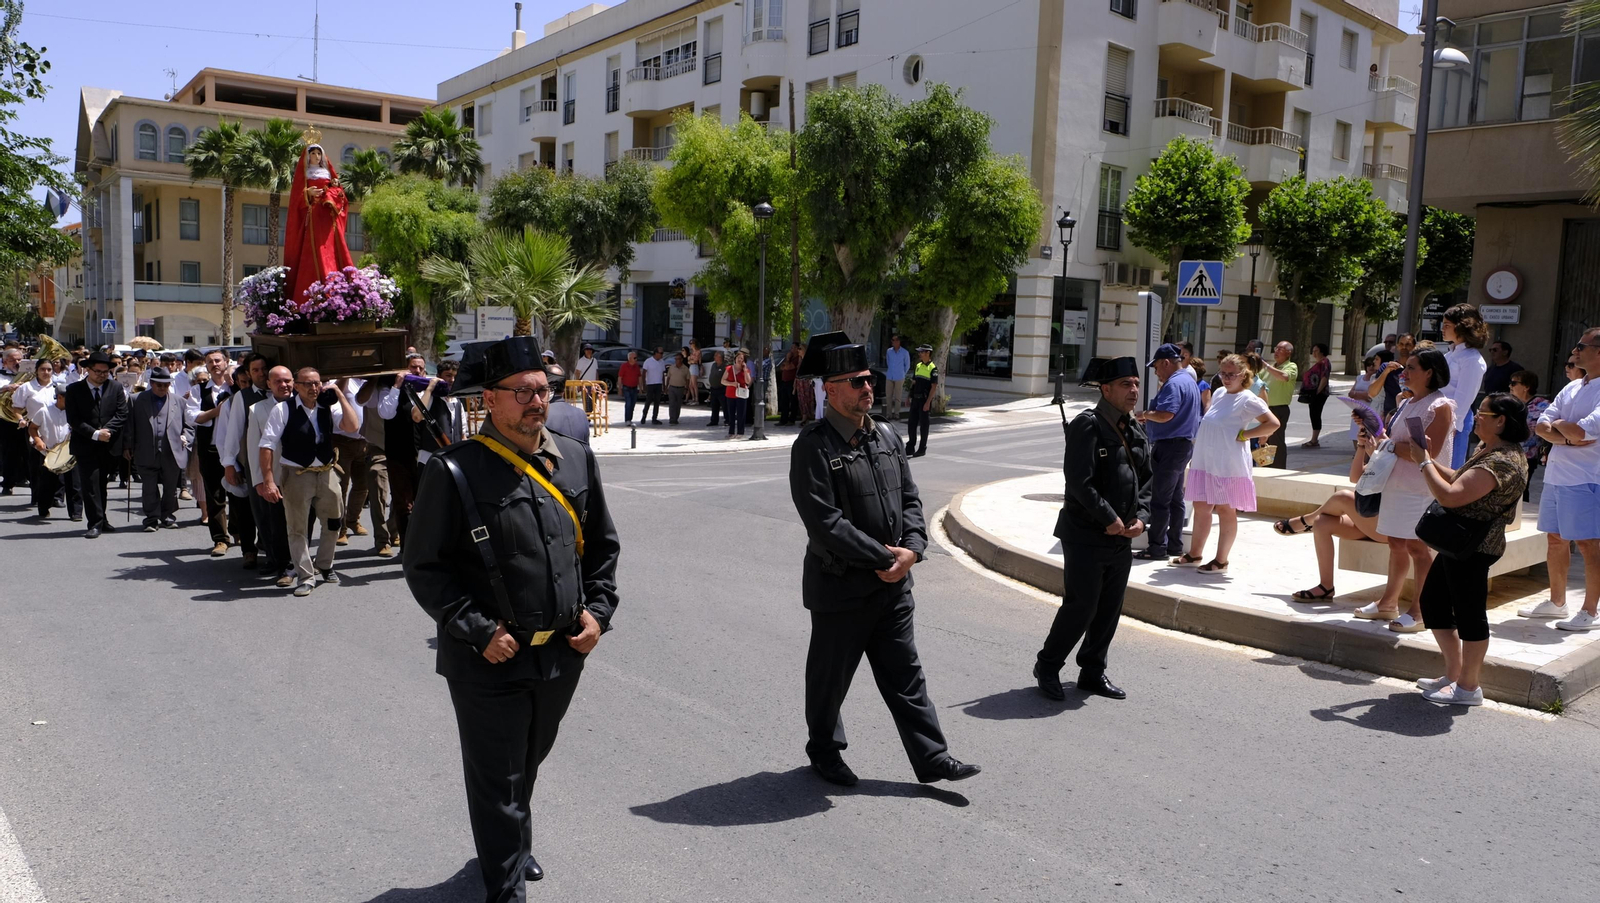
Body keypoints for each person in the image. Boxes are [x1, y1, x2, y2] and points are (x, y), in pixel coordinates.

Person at [403, 335, 619, 901]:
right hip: (489, 658)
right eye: (521, 392)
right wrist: (478, 630)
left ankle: (513, 846)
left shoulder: (576, 457)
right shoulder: (455, 470)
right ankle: (505, 884)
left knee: (528, 759)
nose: (536, 402)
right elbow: (425, 567)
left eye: (543, 390)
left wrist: (598, 614)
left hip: (561, 653)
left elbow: (601, 548)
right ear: (489, 399)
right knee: (498, 778)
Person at [788, 331, 980, 786]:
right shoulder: (814, 445)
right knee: (830, 680)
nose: (867, 387)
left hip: (893, 586)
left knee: (906, 677)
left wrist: (912, 550)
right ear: (830, 390)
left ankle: (933, 758)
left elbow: (911, 499)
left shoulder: (888, 435)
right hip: (841, 586)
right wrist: (883, 556)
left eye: (869, 379)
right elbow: (825, 523)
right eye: (856, 381)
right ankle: (824, 750)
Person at [1389, 393, 1529, 705]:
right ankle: (1454, 675)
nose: (1476, 416)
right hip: (1458, 542)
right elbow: (1460, 480)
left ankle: (1468, 687)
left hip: (1475, 546)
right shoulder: (1489, 449)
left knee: (1469, 614)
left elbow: (1451, 496)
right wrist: (1427, 457)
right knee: (1433, 603)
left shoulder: (1503, 461)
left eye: (1483, 413)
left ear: (1501, 421)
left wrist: (1423, 462)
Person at [1035, 357, 1152, 701]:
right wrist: (1109, 518)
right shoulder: (1087, 425)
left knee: (1109, 608)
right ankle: (1048, 665)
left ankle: (1092, 671)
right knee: (1081, 606)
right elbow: (1078, 482)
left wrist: (1141, 517)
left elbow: (1146, 479)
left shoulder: (1134, 427)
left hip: (1122, 537)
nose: (1134, 390)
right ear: (1106, 389)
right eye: (1126, 384)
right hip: (1086, 534)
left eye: (1136, 383)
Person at [1359, 348, 1455, 633]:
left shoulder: (1440, 406)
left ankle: (1421, 610)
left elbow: (1426, 453)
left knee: (1417, 547)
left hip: (1420, 488)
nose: (1405, 372)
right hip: (1396, 483)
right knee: (1396, 543)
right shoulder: (1408, 401)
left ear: (1429, 372)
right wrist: (1374, 432)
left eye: (1412, 367)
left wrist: (1389, 446)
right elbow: (1397, 442)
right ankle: (1388, 602)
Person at [259, 368, 358, 597]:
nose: (314, 388)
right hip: (297, 474)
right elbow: (266, 445)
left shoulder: (327, 407)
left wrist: (339, 394)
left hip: (326, 471)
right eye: (308, 384)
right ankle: (305, 576)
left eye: (317, 383)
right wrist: (268, 480)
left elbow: (352, 426)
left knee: (334, 521)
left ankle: (325, 564)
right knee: (297, 528)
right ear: (297, 386)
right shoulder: (283, 409)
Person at [1174, 353, 1278, 572]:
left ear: (1243, 375)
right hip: (1206, 460)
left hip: (1228, 463)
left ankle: (1221, 560)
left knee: (1225, 509)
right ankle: (1195, 553)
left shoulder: (1248, 398)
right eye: (1223, 373)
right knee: (1201, 506)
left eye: (1232, 374)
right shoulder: (1220, 393)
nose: (1227, 378)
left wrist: (1245, 435)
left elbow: (1272, 423)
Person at [1527, 327, 1600, 630]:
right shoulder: (1571, 387)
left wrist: (1561, 429)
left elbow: (1582, 431)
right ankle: (1557, 602)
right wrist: (1565, 433)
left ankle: (1591, 611)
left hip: (1585, 478)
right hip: (1557, 476)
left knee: (1588, 544)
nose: (1575, 351)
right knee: (1555, 539)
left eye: (1582, 346)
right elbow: (1541, 426)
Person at [1280, 413, 1391, 601]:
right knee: (1322, 522)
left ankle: (1306, 521)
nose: (1381, 431)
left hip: (1388, 528)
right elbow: (1354, 477)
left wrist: (1380, 453)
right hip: (1370, 521)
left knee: (1343, 497)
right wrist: (1362, 447)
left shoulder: (1397, 460)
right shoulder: (1382, 456)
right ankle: (1326, 586)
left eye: (1385, 428)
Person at [1133, 343, 1200, 561]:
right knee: (1175, 499)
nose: (1156, 373)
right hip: (1182, 446)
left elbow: (1166, 414)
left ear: (1166, 363)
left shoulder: (1174, 384)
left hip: (1170, 446)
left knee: (1160, 499)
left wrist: (1145, 414)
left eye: (1156, 367)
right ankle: (1174, 545)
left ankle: (1157, 547)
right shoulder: (1188, 380)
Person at [64, 352, 130, 539]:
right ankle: (94, 523)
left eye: (105, 372)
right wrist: (94, 434)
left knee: (101, 484)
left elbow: (122, 413)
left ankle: (102, 518)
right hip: (85, 444)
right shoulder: (74, 389)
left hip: (109, 444)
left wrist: (107, 431)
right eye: (98, 371)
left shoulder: (115, 387)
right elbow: (74, 419)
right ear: (88, 370)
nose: (102, 375)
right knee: (90, 484)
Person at [283, 142, 354, 306]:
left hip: (327, 218)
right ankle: (311, 294)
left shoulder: (327, 173)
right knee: (313, 251)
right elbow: (296, 199)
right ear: (308, 156)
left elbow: (340, 195)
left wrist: (332, 191)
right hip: (313, 216)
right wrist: (308, 193)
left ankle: (337, 289)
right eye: (313, 153)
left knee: (331, 249)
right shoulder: (304, 174)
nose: (316, 156)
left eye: (319, 153)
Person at [125, 366, 193, 531]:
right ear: (151, 383)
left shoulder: (179, 401)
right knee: (149, 487)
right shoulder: (136, 399)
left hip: (172, 452)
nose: (163, 388)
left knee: (170, 488)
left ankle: (168, 516)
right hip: (145, 450)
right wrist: (127, 446)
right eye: (159, 385)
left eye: (166, 385)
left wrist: (186, 439)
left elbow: (189, 427)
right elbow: (129, 425)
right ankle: (151, 519)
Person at [250, 367, 297, 586]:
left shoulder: (304, 404)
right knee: (278, 525)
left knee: (303, 523)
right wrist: (260, 481)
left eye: (287, 380)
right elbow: (254, 447)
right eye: (277, 381)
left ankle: (301, 563)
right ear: (269, 384)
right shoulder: (257, 409)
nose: (283, 385)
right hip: (274, 477)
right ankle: (284, 566)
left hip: (302, 476)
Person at [216, 360, 264, 569]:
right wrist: (231, 466)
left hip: (267, 465)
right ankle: (248, 550)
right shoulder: (233, 402)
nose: (247, 385)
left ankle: (266, 545)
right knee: (244, 512)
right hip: (243, 465)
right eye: (243, 381)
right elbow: (225, 438)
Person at [22, 360, 82, 521]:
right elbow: (32, 428)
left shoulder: (74, 412)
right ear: (60, 397)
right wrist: (38, 440)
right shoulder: (44, 411)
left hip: (70, 452)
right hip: (49, 451)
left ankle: (76, 512)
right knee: (47, 484)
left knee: (74, 484)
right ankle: (43, 508)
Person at [189, 349, 234, 555]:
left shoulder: (236, 385)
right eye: (210, 362)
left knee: (239, 494)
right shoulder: (199, 390)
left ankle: (239, 532)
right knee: (215, 495)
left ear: (226, 362)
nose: (214, 364)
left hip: (235, 449)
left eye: (217, 360)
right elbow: (194, 417)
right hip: (210, 448)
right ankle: (220, 539)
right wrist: (217, 411)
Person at [331, 376, 368, 546]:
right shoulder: (344, 381)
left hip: (365, 442)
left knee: (363, 486)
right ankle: (341, 529)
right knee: (341, 488)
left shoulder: (368, 382)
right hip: (342, 442)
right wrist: (345, 375)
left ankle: (353, 520)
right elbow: (334, 392)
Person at [1508, 370, 1548, 501]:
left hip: (1528, 455)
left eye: (1514, 383)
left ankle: (1521, 510)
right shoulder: (1511, 403)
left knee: (1521, 487)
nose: (1510, 386)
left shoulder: (1542, 405)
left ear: (1526, 387)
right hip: (1508, 453)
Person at [1258, 341, 1298, 468]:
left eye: (1280, 349)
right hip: (1264, 409)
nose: (1276, 351)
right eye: (1276, 348)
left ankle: (1278, 467)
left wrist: (1265, 366)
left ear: (1288, 353)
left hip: (1279, 409)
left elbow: (1284, 377)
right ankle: (1266, 465)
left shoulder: (1291, 366)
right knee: (1263, 439)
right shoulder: (1269, 368)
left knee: (1276, 440)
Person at [905, 344, 938, 458]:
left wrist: (928, 402)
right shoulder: (918, 366)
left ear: (928, 353)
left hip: (924, 400)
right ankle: (910, 447)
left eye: (922, 352)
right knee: (911, 424)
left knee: (924, 426)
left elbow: (934, 387)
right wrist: (909, 396)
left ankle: (922, 448)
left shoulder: (933, 368)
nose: (920, 354)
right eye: (919, 352)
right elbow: (914, 383)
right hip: (915, 399)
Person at [1300, 343, 1332, 448]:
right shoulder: (1319, 363)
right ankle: (1314, 439)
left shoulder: (1324, 362)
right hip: (1313, 392)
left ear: (1322, 352)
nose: (1314, 353)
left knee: (1315, 415)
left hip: (1319, 393)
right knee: (1313, 414)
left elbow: (1324, 377)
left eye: (1316, 351)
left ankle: (1314, 440)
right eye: (1313, 351)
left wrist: (1317, 392)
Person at [722, 349, 751, 437]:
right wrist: (732, 384)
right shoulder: (729, 368)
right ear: (735, 359)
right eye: (738, 358)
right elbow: (722, 381)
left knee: (741, 414)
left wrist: (745, 370)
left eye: (742, 358)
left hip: (741, 394)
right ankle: (731, 432)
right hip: (730, 394)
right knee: (731, 414)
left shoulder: (745, 370)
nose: (740, 360)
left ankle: (740, 432)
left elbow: (748, 381)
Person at [883, 334, 910, 422]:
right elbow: (888, 362)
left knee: (898, 397)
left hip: (899, 377)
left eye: (895, 340)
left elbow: (907, 365)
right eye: (892, 340)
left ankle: (897, 414)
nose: (893, 342)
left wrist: (902, 373)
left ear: (899, 341)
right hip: (890, 376)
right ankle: (889, 414)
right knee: (888, 396)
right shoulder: (889, 351)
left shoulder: (904, 352)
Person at [640, 347, 668, 425]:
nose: (662, 355)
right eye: (661, 353)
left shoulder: (662, 362)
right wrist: (644, 385)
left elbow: (662, 374)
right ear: (656, 353)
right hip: (650, 384)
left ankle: (654, 418)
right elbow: (643, 373)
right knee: (648, 401)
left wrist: (664, 385)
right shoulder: (648, 361)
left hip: (658, 384)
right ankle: (644, 416)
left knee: (657, 402)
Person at [664, 352, 692, 424]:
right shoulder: (671, 367)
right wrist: (666, 387)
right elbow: (668, 377)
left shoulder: (685, 368)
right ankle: (672, 419)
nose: (677, 360)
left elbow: (688, 379)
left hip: (680, 388)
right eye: (676, 359)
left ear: (681, 359)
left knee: (678, 404)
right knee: (672, 404)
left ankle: (676, 418)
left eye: (678, 359)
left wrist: (686, 388)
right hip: (672, 388)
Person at [778, 345, 802, 426]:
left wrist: (787, 360)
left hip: (791, 382)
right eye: (791, 347)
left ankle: (792, 419)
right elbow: (781, 367)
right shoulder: (790, 358)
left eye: (793, 347)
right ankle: (783, 419)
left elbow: (788, 367)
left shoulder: (797, 359)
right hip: (784, 381)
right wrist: (787, 360)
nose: (791, 349)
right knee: (784, 401)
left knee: (793, 401)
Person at [618, 351, 642, 425]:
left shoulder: (636, 366)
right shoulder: (624, 366)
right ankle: (627, 419)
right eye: (635, 358)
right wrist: (619, 388)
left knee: (632, 404)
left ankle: (630, 419)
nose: (636, 359)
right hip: (626, 388)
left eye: (636, 358)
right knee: (628, 403)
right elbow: (620, 377)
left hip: (634, 388)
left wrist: (640, 388)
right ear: (630, 358)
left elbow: (639, 377)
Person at [705, 350, 727, 428]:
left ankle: (727, 420)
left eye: (715, 356)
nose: (714, 357)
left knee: (725, 406)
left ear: (720, 357)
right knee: (714, 406)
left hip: (721, 389)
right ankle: (714, 420)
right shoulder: (714, 365)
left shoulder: (725, 366)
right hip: (713, 388)